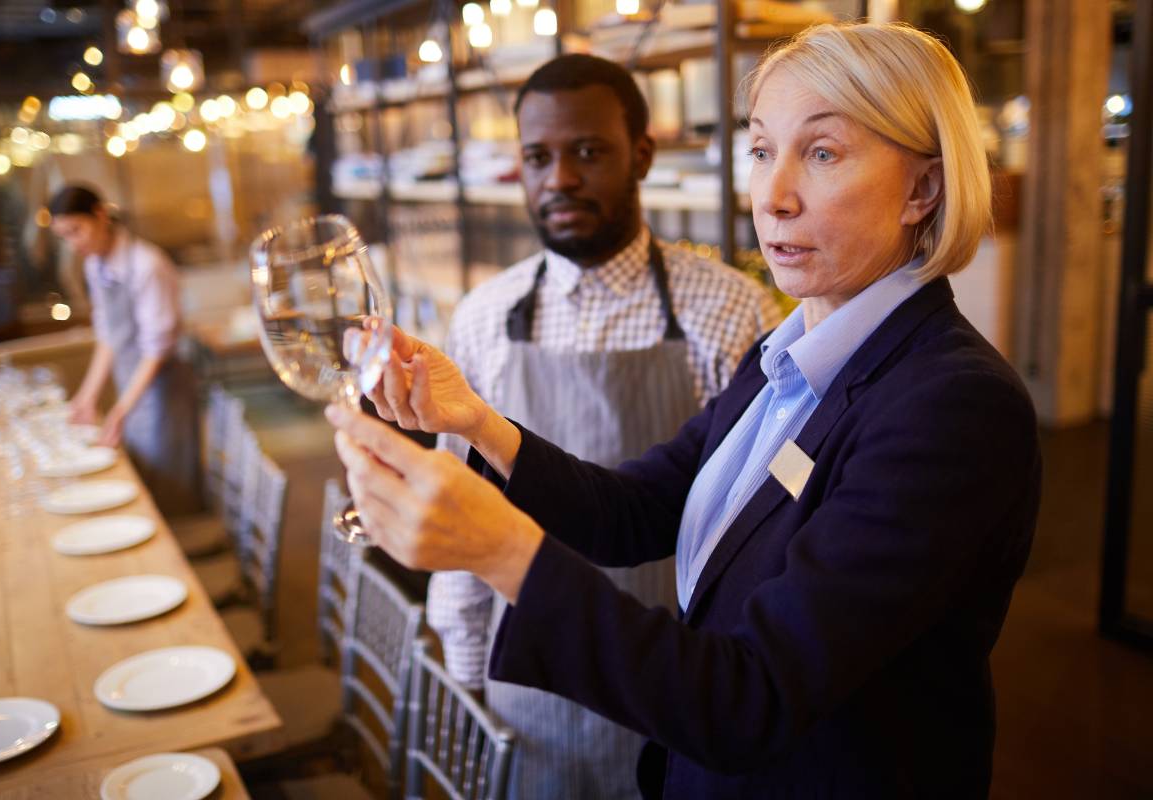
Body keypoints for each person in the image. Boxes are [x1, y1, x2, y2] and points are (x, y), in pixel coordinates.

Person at [329, 22, 1041, 798]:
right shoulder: (786, 352)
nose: (773, 196)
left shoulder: (952, 406)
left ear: (923, 189)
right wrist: (471, 419)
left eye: (824, 152)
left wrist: (502, 550)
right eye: (763, 150)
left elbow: (753, 699)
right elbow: (634, 511)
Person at [424, 53, 780, 799]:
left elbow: (754, 537)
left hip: (677, 684)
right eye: (537, 157)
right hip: (525, 681)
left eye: (587, 152)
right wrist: (464, 677)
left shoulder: (730, 312)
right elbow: (458, 508)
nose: (559, 179)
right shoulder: (484, 319)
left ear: (641, 155)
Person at [50, 185, 202, 516]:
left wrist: (119, 410)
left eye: (77, 230)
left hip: (162, 387)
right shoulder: (95, 265)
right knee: (141, 475)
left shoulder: (147, 264)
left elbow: (156, 349)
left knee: (168, 481)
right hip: (131, 383)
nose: (73, 244)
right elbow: (108, 336)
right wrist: (87, 397)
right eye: (64, 236)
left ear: (101, 215)